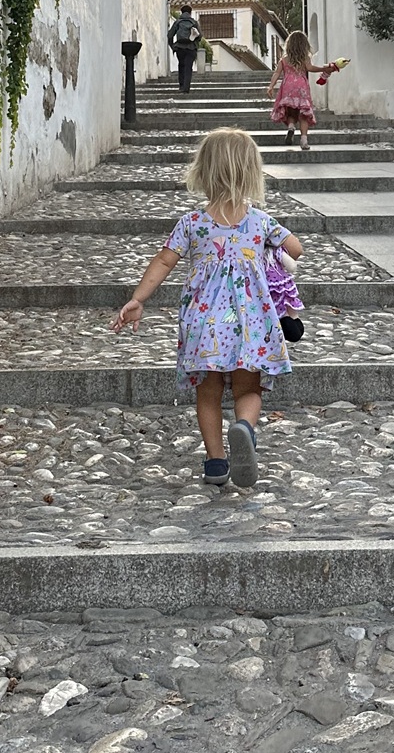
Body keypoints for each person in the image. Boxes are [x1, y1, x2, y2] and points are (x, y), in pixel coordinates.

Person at [112, 127, 302, 488]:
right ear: (251, 173)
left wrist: (138, 299)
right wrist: (270, 251)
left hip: (206, 323)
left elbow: (163, 262)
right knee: (249, 389)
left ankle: (216, 461)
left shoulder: (192, 224)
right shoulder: (261, 222)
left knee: (208, 393)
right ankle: (244, 427)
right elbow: (296, 249)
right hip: (250, 322)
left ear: (203, 172)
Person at [267, 30, 338, 152]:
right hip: (301, 86)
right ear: (304, 44)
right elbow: (310, 68)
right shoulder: (305, 58)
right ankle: (304, 140)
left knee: (291, 112)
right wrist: (324, 69)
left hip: (288, 87)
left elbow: (277, 73)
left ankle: (290, 127)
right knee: (303, 114)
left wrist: (271, 86)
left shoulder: (284, 59)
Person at [168, 3, 202, 94]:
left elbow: (170, 35)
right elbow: (199, 36)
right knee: (188, 68)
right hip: (191, 48)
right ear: (190, 13)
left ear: (181, 12)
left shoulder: (178, 22)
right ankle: (186, 88)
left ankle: (181, 86)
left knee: (181, 66)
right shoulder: (194, 23)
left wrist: (172, 46)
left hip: (180, 48)